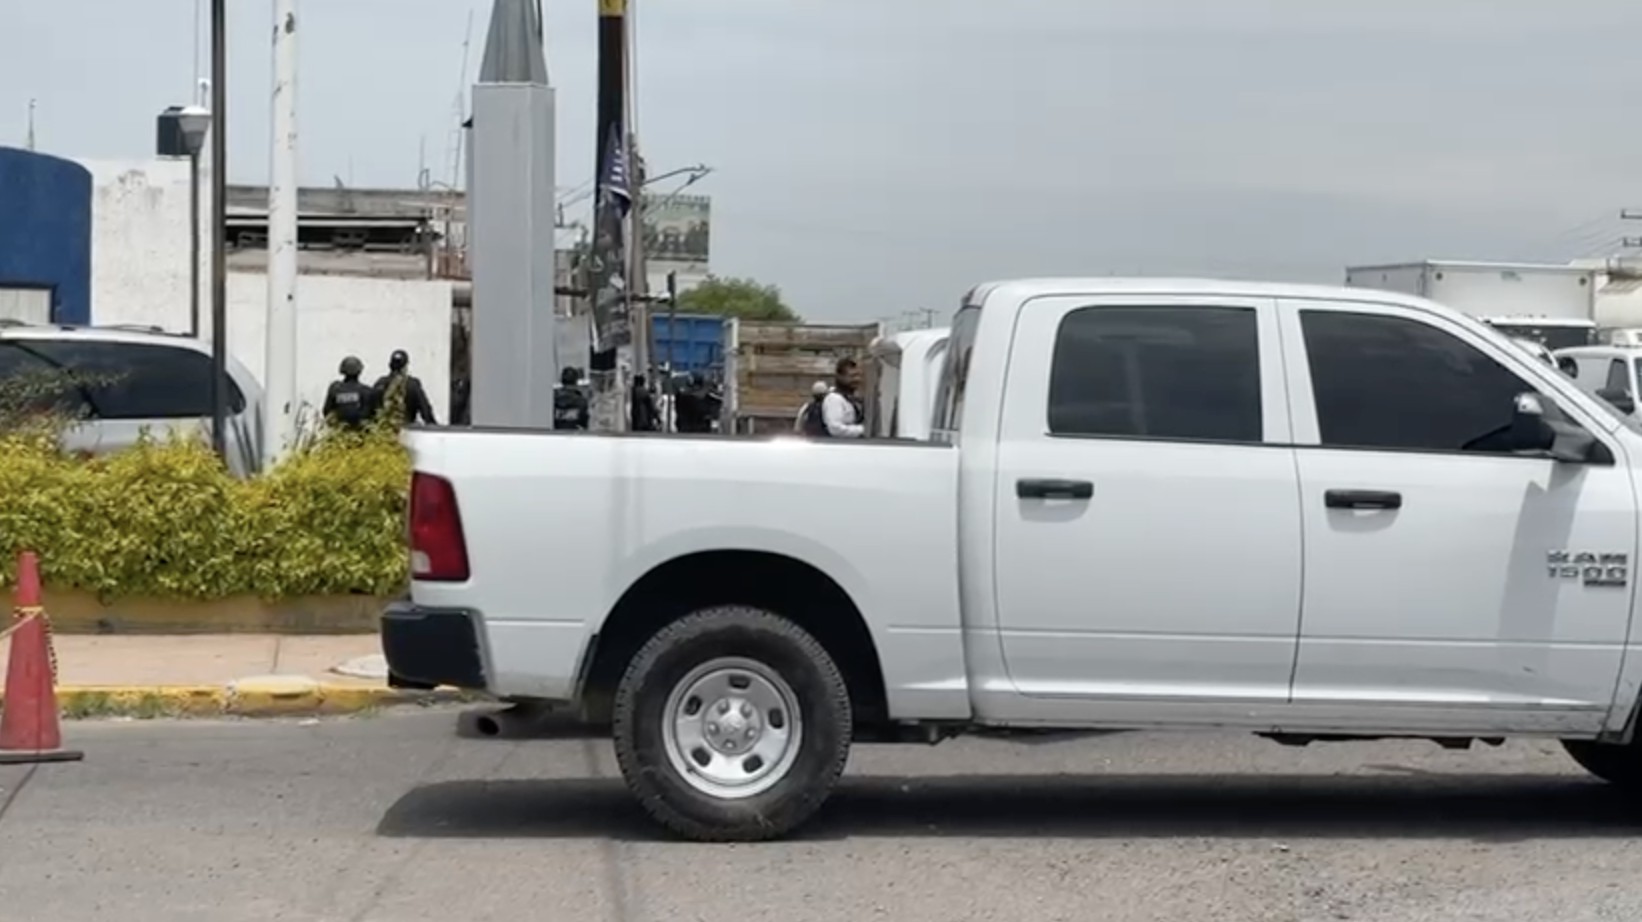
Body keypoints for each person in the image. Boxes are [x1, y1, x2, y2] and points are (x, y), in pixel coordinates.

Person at [801, 357, 866, 438]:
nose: (857, 379)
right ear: (840, 377)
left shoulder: (849, 399)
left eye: (858, 375)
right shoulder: (834, 400)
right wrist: (863, 430)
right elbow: (836, 429)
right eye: (852, 376)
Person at [373, 349, 437, 426]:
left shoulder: (380, 383)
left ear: (390, 365)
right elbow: (425, 410)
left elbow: (372, 409)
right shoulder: (413, 384)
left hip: (384, 431)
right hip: (406, 430)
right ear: (405, 367)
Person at [323, 355, 375, 431]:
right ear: (359, 371)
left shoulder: (335, 388)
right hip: (361, 435)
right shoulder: (366, 391)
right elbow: (372, 415)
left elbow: (326, 411)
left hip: (338, 433)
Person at [553, 366, 589, 430]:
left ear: (562, 381)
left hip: (556, 436)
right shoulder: (581, 402)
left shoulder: (553, 401)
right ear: (576, 381)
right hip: (574, 436)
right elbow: (586, 424)